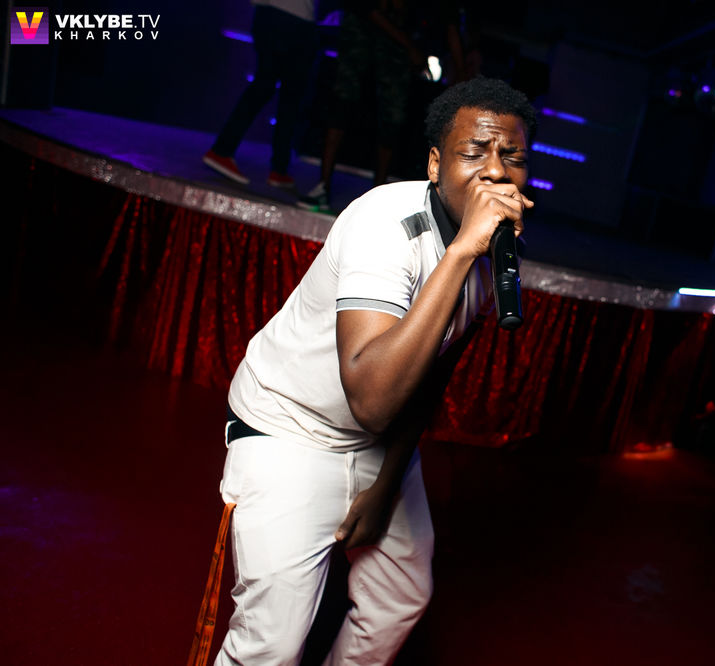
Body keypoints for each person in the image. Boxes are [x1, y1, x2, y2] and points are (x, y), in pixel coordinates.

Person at [215, 76, 537, 665]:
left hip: (377, 441)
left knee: (399, 598)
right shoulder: (384, 224)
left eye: (512, 157)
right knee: (273, 642)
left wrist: (386, 483)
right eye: (473, 153)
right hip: (289, 427)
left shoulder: (497, 253)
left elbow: (432, 373)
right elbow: (371, 398)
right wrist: (462, 251)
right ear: (435, 164)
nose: (495, 171)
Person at [297, 0, 426, 212]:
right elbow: (366, 8)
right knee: (341, 104)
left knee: (391, 116)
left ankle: (377, 195)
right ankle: (323, 186)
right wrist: (410, 45)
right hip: (361, 26)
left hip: (394, 40)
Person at [203, 0, 318, 188]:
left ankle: (227, 150)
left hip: (268, 15)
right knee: (288, 97)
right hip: (294, 19)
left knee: (267, 86)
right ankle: (229, 152)